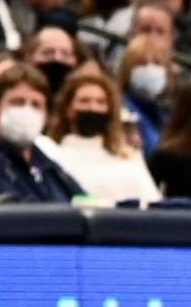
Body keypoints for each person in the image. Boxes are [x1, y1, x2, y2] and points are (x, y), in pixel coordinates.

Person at [0, 63, 85, 202]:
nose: (27, 110)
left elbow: (86, 203)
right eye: (18, 102)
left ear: (46, 116)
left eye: (36, 105)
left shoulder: (52, 169)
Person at [49, 67, 163, 204]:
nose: (93, 108)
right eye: (84, 101)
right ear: (68, 109)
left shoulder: (128, 156)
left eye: (101, 102)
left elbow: (151, 201)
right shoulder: (51, 154)